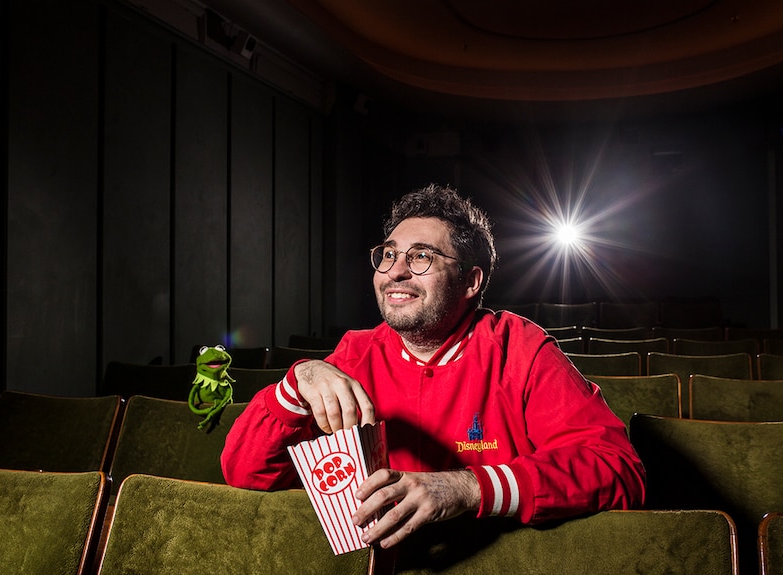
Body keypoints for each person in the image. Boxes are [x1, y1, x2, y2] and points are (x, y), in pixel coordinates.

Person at [221, 183, 646, 550]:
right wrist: (297, 384)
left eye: (421, 256)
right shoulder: (354, 353)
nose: (396, 271)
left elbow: (618, 469)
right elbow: (244, 472)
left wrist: (470, 487)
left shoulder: (520, 348)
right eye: (388, 255)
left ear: (470, 281)